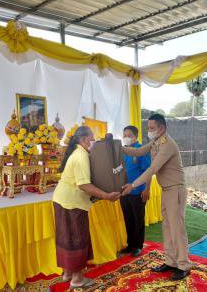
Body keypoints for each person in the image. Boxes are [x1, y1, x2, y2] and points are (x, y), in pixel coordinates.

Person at [121, 114, 190, 281]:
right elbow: (138, 151)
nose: (149, 131)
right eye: (148, 128)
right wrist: (118, 147)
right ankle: (170, 261)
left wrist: (133, 185)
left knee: (177, 228)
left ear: (162, 128)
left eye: (152, 128)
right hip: (167, 190)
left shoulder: (168, 145)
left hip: (176, 189)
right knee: (167, 227)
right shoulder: (155, 142)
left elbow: (152, 169)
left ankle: (184, 265)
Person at [52, 126, 120, 289]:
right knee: (77, 239)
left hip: (62, 200)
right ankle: (77, 279)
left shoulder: (77, 152)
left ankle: (67, 273)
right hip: (72, 204)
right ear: (83, 140)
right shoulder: (81, 156)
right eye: (92, 139)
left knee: (66, 238)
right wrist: (106, 196)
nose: (93, 142)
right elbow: (84, 185)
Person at [120, 125, 151, 257]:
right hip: (124, 192)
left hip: (138, 191)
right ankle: (130, 245)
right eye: (124, 135)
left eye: (129, 135)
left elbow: (148, 171)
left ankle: (138, 246)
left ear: (135, 136)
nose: (126, 138)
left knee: (138, 220)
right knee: (128, 219)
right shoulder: (123, 151)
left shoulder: (141, 150)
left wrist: (147, 189)